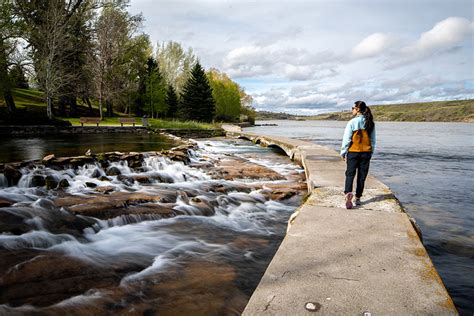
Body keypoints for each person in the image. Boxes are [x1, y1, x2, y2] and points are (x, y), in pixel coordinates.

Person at [340, 101, 376, 209]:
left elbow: (347, 139)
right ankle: (358, 197)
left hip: (353, 152)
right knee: (362, 176)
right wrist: (371, 151)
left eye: (353, 108)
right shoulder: (370, 123)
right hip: (366, 153)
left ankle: (348, 194)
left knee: (350, 174)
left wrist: (343, 152)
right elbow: (373, 140)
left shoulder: (352, 122)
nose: (352, 110)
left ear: (357, 109)